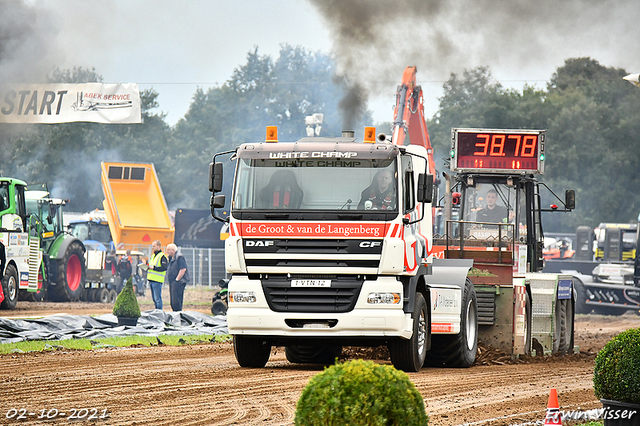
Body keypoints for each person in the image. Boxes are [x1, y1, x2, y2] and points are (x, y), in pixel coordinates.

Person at [166, 243, 190, 311]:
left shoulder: (179, 257)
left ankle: (178, 313)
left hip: (178, 282)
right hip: (172, 281)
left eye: (168, 250)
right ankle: (175, 312)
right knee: (173, 300)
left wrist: (177, 279)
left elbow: (183, 269)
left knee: (176, 300)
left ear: (173, 250)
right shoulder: (171, 258)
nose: (167, 251)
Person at [147, 240, 168, 310]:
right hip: (151, 279)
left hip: (157, 280)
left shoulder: (162, 256)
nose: (153, 248)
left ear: (158, 246)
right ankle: (157, 310)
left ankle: (159, 312)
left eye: (154, 246)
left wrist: (154, 268)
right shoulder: (153, 256)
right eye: (152, 246)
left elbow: (164, 267)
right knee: (154, 298)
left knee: (157, 298)